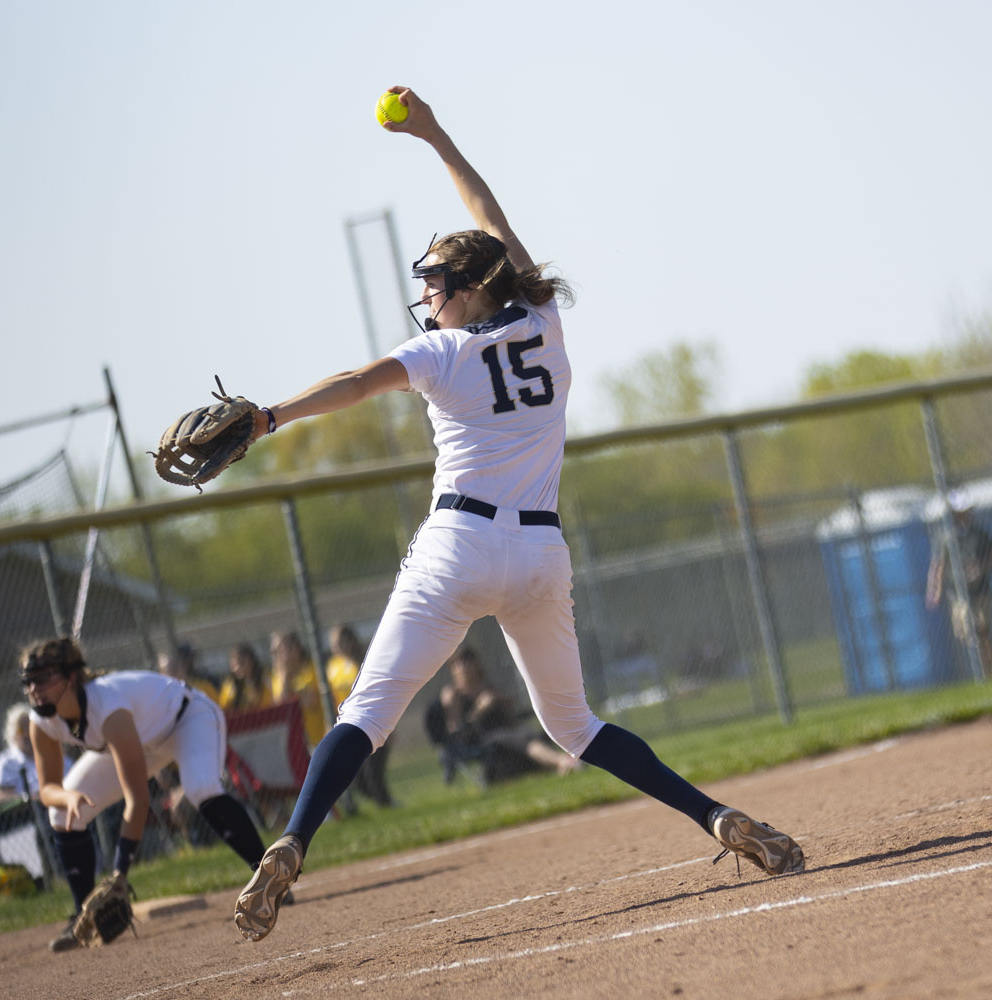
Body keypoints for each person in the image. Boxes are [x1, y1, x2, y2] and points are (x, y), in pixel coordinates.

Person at [232, 87, 804, 943]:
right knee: (575, 724)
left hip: (458, 544)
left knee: (367, 713)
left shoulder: (441, 352)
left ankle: (291, 843)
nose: (427, 298)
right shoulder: (544, 322)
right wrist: (435, 136)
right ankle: (716, 817)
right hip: (539, 553)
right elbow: (492, 216)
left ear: (465, 292)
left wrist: (270, 416)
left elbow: (352, 386)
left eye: (435, 285)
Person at [18, 636, 274, 952]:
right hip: (141, 742)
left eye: (43, 679)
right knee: (61, 814)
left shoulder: (107, 707)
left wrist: (119, 874)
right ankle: (80, 916)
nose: (33, 689)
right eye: (28, 681)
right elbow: (47, 790)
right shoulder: (41, 720)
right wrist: (68, 797)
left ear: (71, 677)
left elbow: (138, 799)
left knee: (201, 788)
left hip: (188, 721)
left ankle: (270, 881)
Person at [429, 647, 580, 784]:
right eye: (458, 664)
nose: (464, 668)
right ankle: (561, 761)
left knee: (531, 734)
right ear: (452, 669)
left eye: (467, 662)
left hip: (506, 730)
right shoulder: (452, 695)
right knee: (522, 738)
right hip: (480, 738)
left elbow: (510, 713)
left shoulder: (486, 686)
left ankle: (561, 762)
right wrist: (478, 710)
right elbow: (456, 730)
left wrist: (499, 700)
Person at [925, 488, 992, 675]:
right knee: (966, 634)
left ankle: (988, 674)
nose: (968, 514)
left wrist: (980, 567)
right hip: (958, 595)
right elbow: (938, 565)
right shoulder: (946, 537)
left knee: (981, 632)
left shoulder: (979, 532)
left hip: (980, 591)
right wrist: (936, 590)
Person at [328, 625, 393, 807]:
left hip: (372, 720)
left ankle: (387, 805)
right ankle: (386, 804)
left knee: (373, 773)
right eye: (333, 644)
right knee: (358, 778)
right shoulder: (333, 667)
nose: (335, 648)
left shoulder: (363, 661)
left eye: (339, 643)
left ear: (350, 641)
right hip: (348, 723)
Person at [268, 631, 327, 747]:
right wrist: (286, 676)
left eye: (281, 650)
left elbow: (310, 702)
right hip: (293, 743)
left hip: (316, 738)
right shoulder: (277, 677)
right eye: (275, 652)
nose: (279, 656)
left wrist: (292, 689)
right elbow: (280, 706)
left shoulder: (311, 668)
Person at [157, 642, 222, 702]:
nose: (174, 673)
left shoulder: (201, 688)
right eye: (170, 670)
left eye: (176, 668)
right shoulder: (159, 698)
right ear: (161, 673)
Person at [216, 642, 272, 713]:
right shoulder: (230, 685)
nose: (237, 668)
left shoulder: (265, 678)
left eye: (241, 662)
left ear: (252, 661)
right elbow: (223, 708)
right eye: (234, 665)